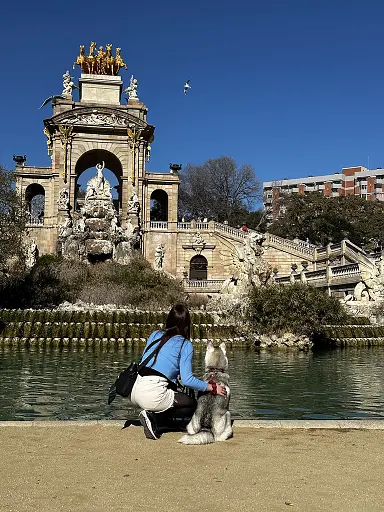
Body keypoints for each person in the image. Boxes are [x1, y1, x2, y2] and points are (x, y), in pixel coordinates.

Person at [130, 304, 227, 440]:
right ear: (187, 324)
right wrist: (212, 387)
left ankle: (159, 419)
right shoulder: (185, 344)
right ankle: (154, 418)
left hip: (134, 391)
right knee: (192, 404)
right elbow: (187, 380)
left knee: (169, 394)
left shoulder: (155, 334)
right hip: (152, 394)